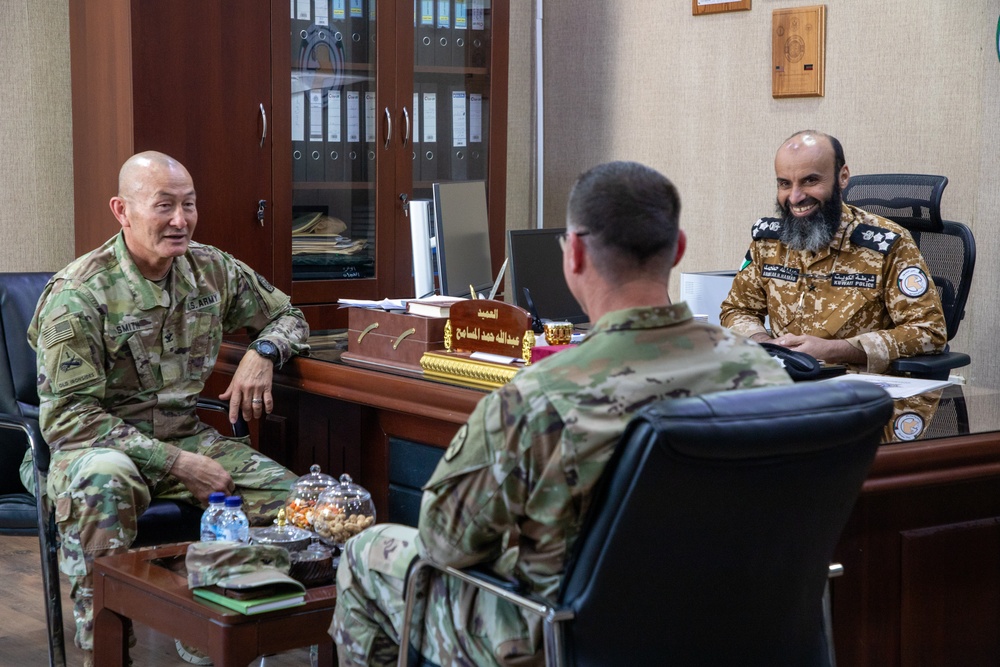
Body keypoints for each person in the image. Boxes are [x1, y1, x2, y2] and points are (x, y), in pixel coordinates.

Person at [329, 161, 793, 666]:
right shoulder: (762, 374)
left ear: (572, 253)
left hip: (562, 641)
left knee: (367, 550)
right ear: (677, 248)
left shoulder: (540, 395)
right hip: (723, 631)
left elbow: (445, 544)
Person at [19, 151, 309, 663]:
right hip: (93, 450)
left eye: (190, 205)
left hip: (184, 434)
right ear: (122, 210)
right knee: (105, 480)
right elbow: (68, 421)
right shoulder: (80, 294)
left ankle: (204, 619)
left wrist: (262, 353)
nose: (181, 220)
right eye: (164, 206)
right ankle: (108, 649)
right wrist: (178, 464)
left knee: (304, 506)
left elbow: (289, 315)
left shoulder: (210, 269)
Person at [720, 130, 947, 374]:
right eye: (785, 183)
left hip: (859, 392)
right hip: (786, 385)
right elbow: (737, 309)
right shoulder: (769, 242)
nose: (795, 197)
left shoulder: (887, 243)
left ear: (843, 176)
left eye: (810, 181)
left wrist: (834, 349)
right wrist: (762, 343)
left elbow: (929, 331)